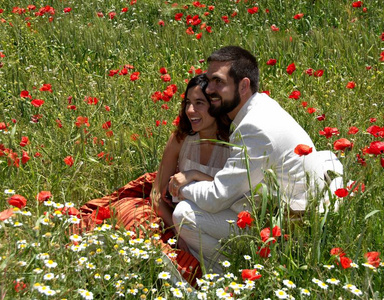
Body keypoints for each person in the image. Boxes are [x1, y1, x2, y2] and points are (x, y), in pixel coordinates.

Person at [170, 46, 333, 272]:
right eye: (208, 81)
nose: (209, 90)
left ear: (243, 85)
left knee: (184, 214)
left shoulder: (255, 128)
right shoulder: (261, 107)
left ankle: (228, 274)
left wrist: (183, 186)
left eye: (218, 82)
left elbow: (217, 198)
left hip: (288, 226)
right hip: (276, 211)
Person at [77, 74, 230, 284]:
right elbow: (157, 194)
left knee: (191, 268)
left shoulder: (232, 143)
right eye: (188, 103)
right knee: (131, 222)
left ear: (215, 105)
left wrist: (194, 175)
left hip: (211, 221)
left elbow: (229, 190)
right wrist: (177, 232)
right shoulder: (181, 138)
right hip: (172, 216)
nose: (190, 111)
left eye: (199, 104)